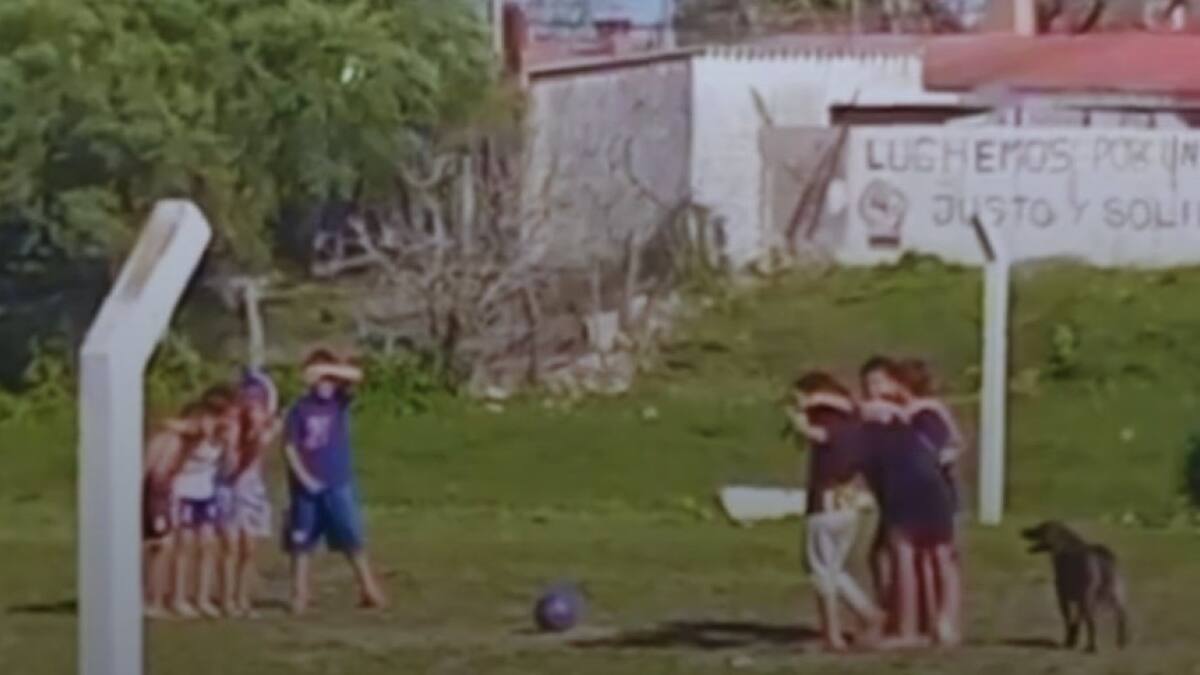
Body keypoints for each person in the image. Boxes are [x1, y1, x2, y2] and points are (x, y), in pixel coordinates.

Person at [856, 360, 960, 648]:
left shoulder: (901, 413)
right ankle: (937, 623)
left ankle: (909, 627)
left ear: (899, 384)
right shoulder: (927, 413)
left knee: (909, 556)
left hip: (910, 491)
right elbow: (950, 445)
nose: (874, 390)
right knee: (933, 558)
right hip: (928, 490)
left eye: (881, 382)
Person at [283, 349, 386, 614]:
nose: (326, 384)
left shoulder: (339, 402)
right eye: (321, 379)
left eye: (330, 378)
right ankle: (299, 593)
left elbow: (358, 376)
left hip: (338, 482)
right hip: (306, 487)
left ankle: (368, 588)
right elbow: (290, 447)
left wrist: (327, 370)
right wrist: (304, 478)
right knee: (302, 541)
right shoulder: (299, 409)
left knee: (352, 536)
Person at [786, 371, 884, 651]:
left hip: (825, 500)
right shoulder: (855, 422)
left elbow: (814, 434)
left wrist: (798, 416)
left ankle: (832, 634)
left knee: (820, 569)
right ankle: (868, 613)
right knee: (834, 568)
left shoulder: (829, 425)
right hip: (849, 501)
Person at [217, 370, 281, 617]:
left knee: (249, 549)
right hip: (229, 490)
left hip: (252, 490)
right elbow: (231, 468)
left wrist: (261, 436)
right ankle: (227, 599)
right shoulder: (231, 428)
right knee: (231, 548)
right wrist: (247, 442)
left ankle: (241, 597)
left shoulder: (264, 431)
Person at [170, 390, 231, 618]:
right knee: (185, 545)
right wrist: (196, 433)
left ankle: (202, 598)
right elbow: (171, 426)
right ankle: (179, 598)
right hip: (184, 491)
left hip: (206, 493)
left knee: (207, 545)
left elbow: (227, 469)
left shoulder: (222, 438)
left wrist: (229, 447)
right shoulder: (194, 431)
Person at [142, 402, 204, 619]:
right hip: (154, 492)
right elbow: (150, 469)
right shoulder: (169, 439)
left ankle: (155, 599)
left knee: (164, 546)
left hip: (163, 493)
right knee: (157, 546)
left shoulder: (186, 441)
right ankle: (150, 600)